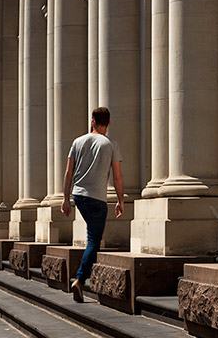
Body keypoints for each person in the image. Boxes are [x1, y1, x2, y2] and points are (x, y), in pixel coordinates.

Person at [61, 107, 125, 303]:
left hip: (79, 196)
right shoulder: (111, 145)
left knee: (92, 236)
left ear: (92, 122)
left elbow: (68, 172)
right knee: (93, 241)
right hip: (97, 198)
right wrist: (120, 200)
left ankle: (83, 276)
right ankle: (80, 280)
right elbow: (117, 176)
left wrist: (65, 199)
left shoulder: (77, 142)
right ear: (109, 123)